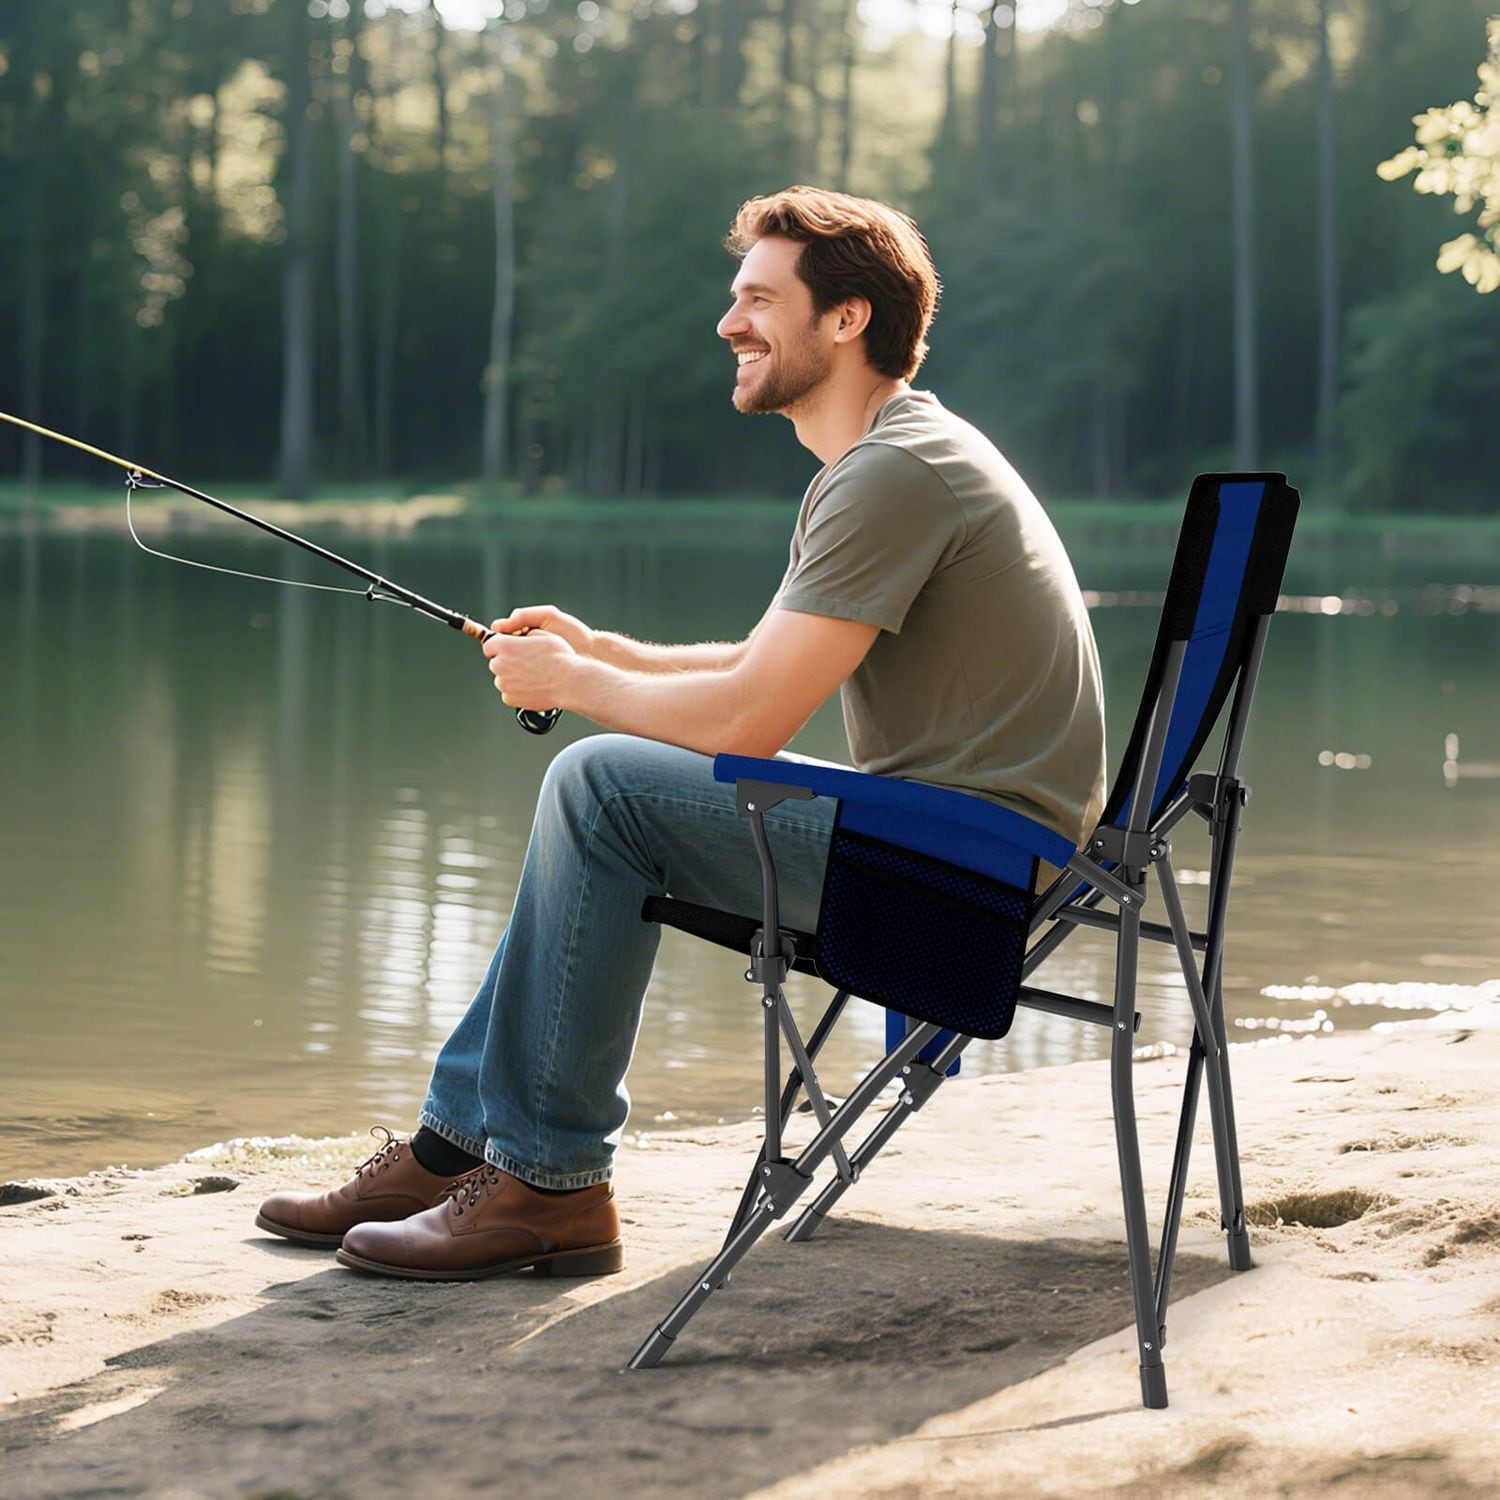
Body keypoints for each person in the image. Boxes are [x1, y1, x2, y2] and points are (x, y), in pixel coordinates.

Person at [255, 186, 1106, 1281]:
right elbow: (759, 668)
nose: (728, 323)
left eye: (759, 298)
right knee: (603, 791)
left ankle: (550, 1182)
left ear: (846, 320)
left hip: (970, 871)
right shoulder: (892, 456)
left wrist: (575, 685)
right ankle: (451, 1151)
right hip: (963, 839)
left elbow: (751, 720)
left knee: (599, 788)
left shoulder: (895, 474)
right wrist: (602, 654)